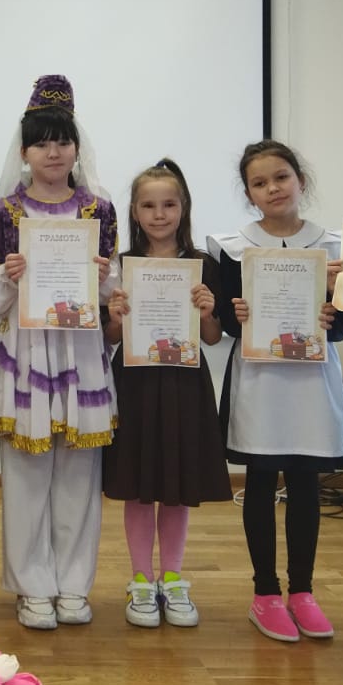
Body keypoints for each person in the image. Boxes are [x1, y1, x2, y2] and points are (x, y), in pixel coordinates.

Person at [0, 75, 119, 631]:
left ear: (77, 147)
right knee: (26, 474)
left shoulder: (99, 211)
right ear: (25, 151)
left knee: (80, 475)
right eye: (41, 142)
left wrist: (106, 280)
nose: (53, 151)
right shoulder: (3, 213)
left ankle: (74, 585)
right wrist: (7, 276)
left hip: (80, 352)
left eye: (62, 140)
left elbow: (113, 293)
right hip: (27, 351)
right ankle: (32, 586)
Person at [208, 140, 343, 643]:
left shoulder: (335, 247)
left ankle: (303, 591)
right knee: (259, 479)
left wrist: (333, 315)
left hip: (312, 381)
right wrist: (236, 315)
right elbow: (224, 319)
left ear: (300, 180)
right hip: (260, 380)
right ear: (249, 194)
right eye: (259, 183)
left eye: (281, 177)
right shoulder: (232, 246)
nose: (272, 188)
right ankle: (265, 593)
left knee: (304, 482)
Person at [102, 159, 231, 629]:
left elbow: (212, 338)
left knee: (175, 489)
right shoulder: (120, 266)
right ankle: (141, 580)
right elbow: (110, 338)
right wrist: (115, 316)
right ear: (135, 212)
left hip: (183, 386)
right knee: (138, 487)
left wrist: (208, 312)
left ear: (183, 208)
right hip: (135, 384)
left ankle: (172, 578)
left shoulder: (203, 265)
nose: (159, 214)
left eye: (169, 205)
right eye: (149, 206)